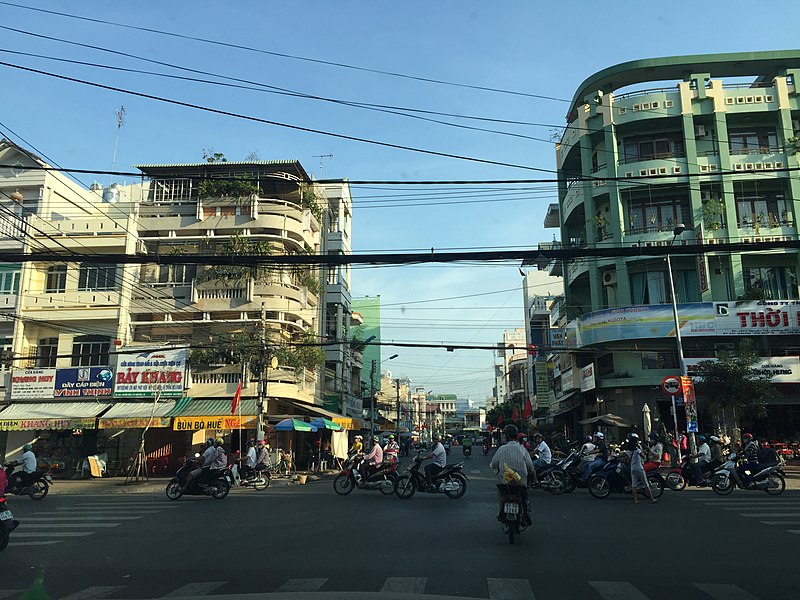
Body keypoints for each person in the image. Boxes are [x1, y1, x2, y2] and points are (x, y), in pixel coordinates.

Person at [490, 424, 534, 525]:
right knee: (524, 497)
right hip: (520, 481)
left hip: (504, 481)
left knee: (501, 494)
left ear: (507, 435)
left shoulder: (502, 449)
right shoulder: (522, 449)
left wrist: (497, 468)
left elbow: (493, 464)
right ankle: (526, 514)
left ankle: (501, 512)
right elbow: (530, 465)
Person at [624, 433, 657, 504]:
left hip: (632, 469)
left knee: (634, 485)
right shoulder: (637, 450)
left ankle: (635, 500)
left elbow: (627, 459)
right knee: (646, 483)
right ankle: (652, 499)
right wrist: (643, 452)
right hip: (639, 468)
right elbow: (644, 458)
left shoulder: (628, 451)